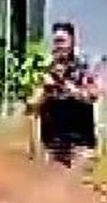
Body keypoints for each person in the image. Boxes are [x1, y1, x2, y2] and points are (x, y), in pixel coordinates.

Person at [35, 21, 101, 170]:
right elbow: (32, 106)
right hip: (53, 143)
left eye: (62, 41)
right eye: (56, 42)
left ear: (72, 42)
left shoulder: (84, 65)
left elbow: (92, 95)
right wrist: (45, 90)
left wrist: (67, 86)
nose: (59, 46)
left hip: (80, 143)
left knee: (79, 188)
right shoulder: (45, 67)